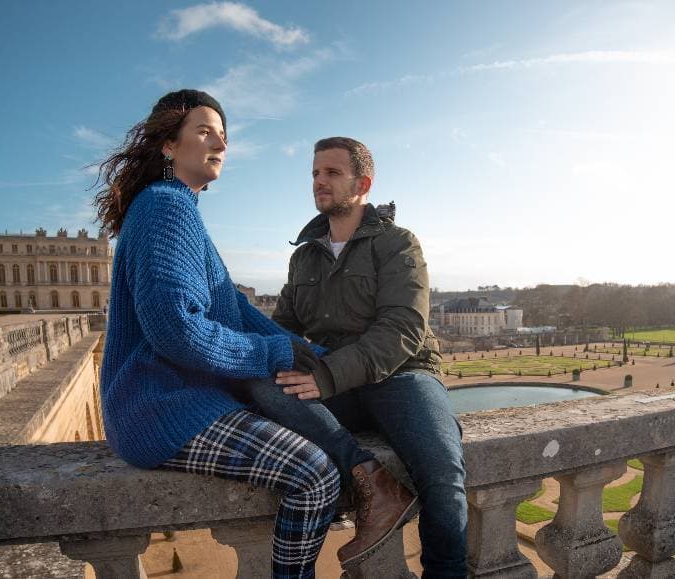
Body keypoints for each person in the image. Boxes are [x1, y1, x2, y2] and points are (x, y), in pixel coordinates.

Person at [93, 89, 341, 579]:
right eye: (205, 131)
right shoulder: (167, 206)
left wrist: (319, 355)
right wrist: (276, 352)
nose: (220, 144)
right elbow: (176, 330)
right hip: (162, 408)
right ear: (169, 145)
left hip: (171, 402)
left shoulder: (173, 208)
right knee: (314, 475)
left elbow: (238, 314)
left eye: (223, 136)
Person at [244, 137, 468, 577]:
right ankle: (371, 479)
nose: (318, 182)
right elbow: (284, 328)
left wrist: (325, 376)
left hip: (401, 375)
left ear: (362, 183)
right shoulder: (304, 255)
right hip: (332, 380)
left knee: (443, 475)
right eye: (314, 173)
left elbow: (403, 329)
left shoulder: (398, 243)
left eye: (331, 173)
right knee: (260, 384)